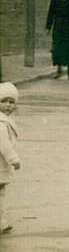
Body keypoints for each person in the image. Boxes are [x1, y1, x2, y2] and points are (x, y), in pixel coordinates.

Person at [0, 83, 19, 237]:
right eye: (4, 101)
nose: (8, 105)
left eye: (11, 102)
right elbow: (4, 145)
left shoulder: (6, 120)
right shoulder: (1, 124)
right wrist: (13, 159)